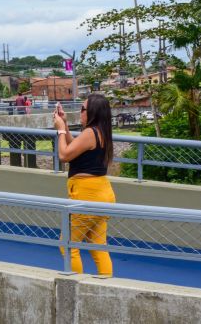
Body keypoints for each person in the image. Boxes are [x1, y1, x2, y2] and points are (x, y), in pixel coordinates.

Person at [54, 93, 116, 276]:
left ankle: (76, 285)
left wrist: (60, 131)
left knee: (67, 245)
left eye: (82, 109)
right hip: (102, 193)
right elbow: (75, 150)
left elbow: (64, 156)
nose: (80, 113)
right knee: (98, 246)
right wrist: (65, 124)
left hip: (87, 195)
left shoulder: (90, 132)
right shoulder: (100, 131)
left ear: (92, 112)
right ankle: (106, 284)